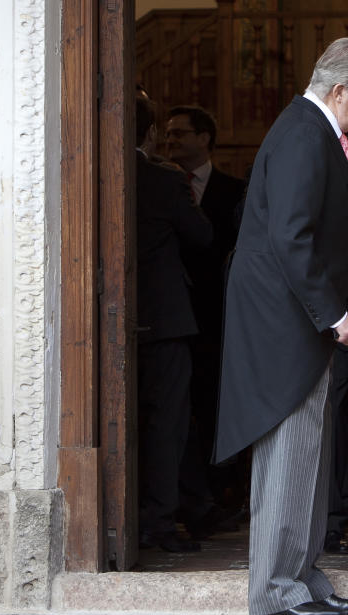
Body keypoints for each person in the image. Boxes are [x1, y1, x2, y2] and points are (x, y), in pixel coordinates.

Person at [214, 37, 348, 615]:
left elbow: (308, 233)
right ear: (339, 90)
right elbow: (288, 237)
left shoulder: (313, 131)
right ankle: (275, 589)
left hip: (296, 323)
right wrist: (336, 314)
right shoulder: (301, 133)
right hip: (284, 325)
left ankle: (303, 576)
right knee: (289, 455)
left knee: (309, 459)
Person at [163, 105, 246, 538]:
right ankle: (192, 498)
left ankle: (223, 492)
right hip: (178, 315)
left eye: (181, 134)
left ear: (206, 138)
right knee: (184, 410)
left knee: (219, 404)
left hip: (222, 315)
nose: (172, 142)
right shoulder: (161, 185)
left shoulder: (235, 190)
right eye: (169, 135)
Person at [135, 96, 213, 553]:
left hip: (109, 317)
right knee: (167, 424)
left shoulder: (92, 167)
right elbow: (202, 236)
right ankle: (158, 523)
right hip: (164, 317)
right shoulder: (163, 179)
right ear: (149, 135)